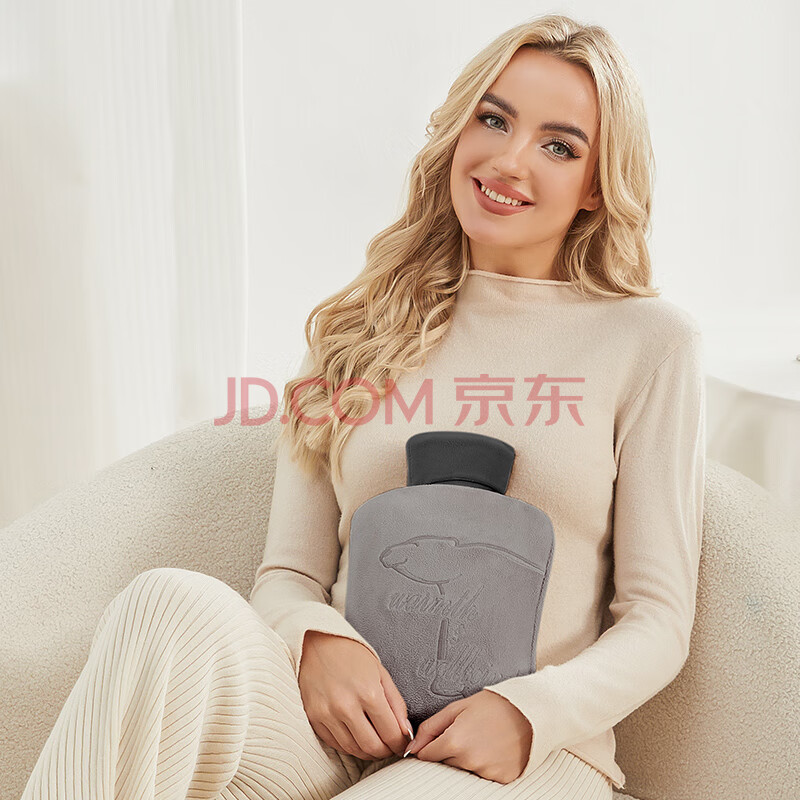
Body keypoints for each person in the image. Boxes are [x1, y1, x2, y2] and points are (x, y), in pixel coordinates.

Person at [21, 12, 705, 800]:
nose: (509, 159)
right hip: (334, 740)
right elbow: (289, 572)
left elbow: (657, 617)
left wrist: (529, 714)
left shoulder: (649, 343)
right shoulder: (357, 329)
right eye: (493, 119)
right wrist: (315, 639)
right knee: (163, 602)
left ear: (595, 186)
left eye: (559, 146)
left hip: (531, 759)